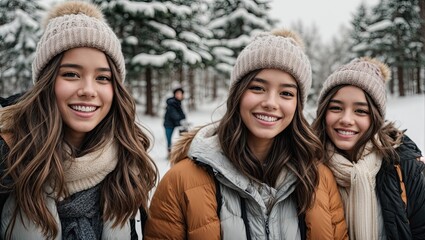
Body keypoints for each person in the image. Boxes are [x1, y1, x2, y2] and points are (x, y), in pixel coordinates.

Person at [145, 29, 347, 239]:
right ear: (237, 94)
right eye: (258, 88)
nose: (270, 103)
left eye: (286, 93)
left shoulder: (318, 178)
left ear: (297, 105)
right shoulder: (182, 180)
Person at [0, 1, 157, 239]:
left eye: (103, 78)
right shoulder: (9, 156)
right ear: (46, 82)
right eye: (71, 74)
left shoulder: (129, 165)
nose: (88, 90)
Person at [312, 57, 425, 239]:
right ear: (323, 112)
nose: (347, 120)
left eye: (361, 111)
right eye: (336, 108)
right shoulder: (305, 165)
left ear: (376, 119)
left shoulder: (404, 165)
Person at [163, 87, 186, 154]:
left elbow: (181, 114)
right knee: (169, 140)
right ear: (174, 94)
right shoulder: (171, 103)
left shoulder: (178, 103)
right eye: (177, 93)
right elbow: (174, 114)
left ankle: (181, 152)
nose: (179, 95)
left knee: (183, 137)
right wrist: (181, 120)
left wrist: (184, 120)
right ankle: (169, 153)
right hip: (169, 124)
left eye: (180, 94)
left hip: (176, 123)